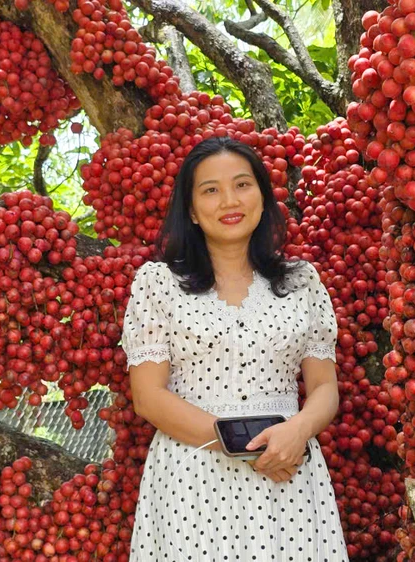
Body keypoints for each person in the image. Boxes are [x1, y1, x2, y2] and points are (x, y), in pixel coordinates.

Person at [122, 135, 348, 561]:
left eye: (243, 184)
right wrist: (241, 444)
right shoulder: (158, 284)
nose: (230, 200)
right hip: (193, 477)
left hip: (288, 471)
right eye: (211, 190)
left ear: (263, 196)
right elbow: (147, 396)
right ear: (190, 209)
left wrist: (297, 431)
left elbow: (324, 388)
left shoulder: (302, 281)